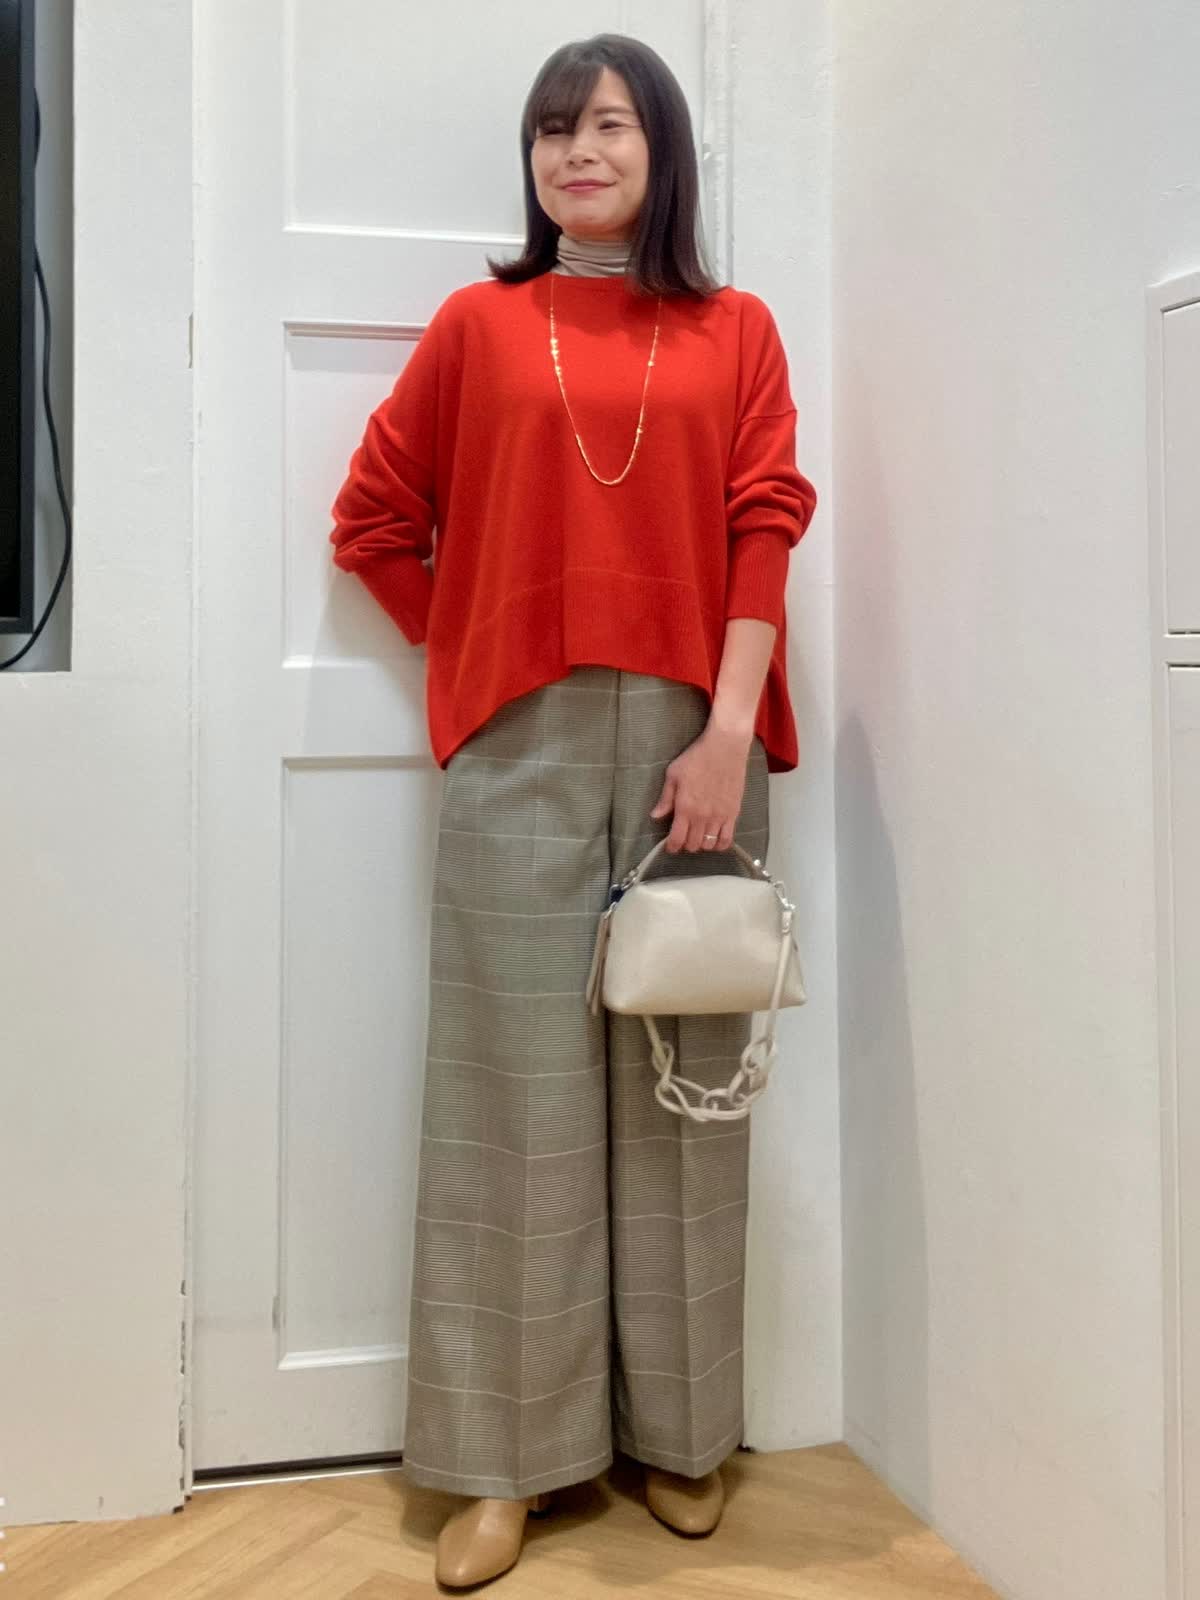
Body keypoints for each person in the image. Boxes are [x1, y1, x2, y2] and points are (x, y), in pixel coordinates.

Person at [328, 31, 817, 1590]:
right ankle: (502, 1462)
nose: (576, 152)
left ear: (663, 150)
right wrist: (476, 660)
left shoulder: (738, 330)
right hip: (521, 747)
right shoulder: (479, 328)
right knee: (512, 1105)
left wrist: (726, 731)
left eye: (607, 125)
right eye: (552, 130)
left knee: (688, 1087)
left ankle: (683, 1429)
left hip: (694, 744)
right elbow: (372, 521)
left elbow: (765, 522)